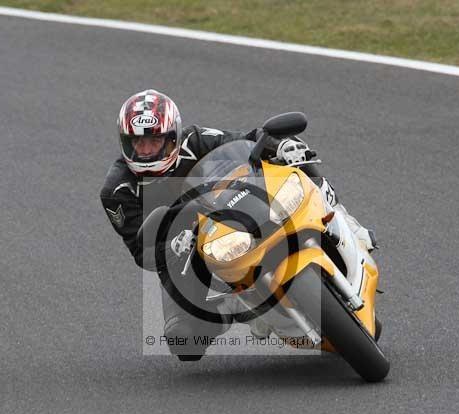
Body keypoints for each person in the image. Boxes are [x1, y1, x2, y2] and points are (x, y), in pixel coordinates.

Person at [100, 89, 375, 360]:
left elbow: (246, 142)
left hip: (234, 209)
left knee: (297, 159)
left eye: (154, 141)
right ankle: (240, 308)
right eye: (138, 143)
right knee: (184, 342)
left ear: (173, 136)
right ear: (125, 143)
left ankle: (347, 223)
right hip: (187, 248)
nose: (146, 151)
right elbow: (142, 252)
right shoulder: (117, 191)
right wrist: (171, 245)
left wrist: (279, 145)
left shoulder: (195, 140)